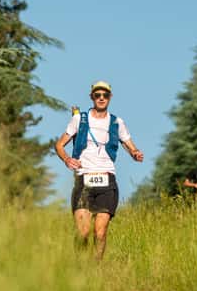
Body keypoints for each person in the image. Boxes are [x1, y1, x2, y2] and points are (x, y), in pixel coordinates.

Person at [54, 80, 144, 260]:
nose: (101, 98)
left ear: (110, 97)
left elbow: (129, 144)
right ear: (92, 97)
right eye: (97, 95)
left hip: (107, 181)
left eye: (105, 95)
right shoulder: (79, 119)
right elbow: (59, 145)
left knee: (100, 233)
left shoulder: (117, 122)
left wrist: (135, 153)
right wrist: (67, 159)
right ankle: (80, 268)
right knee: (83, 232)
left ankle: (96, 268)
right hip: (84, 180)